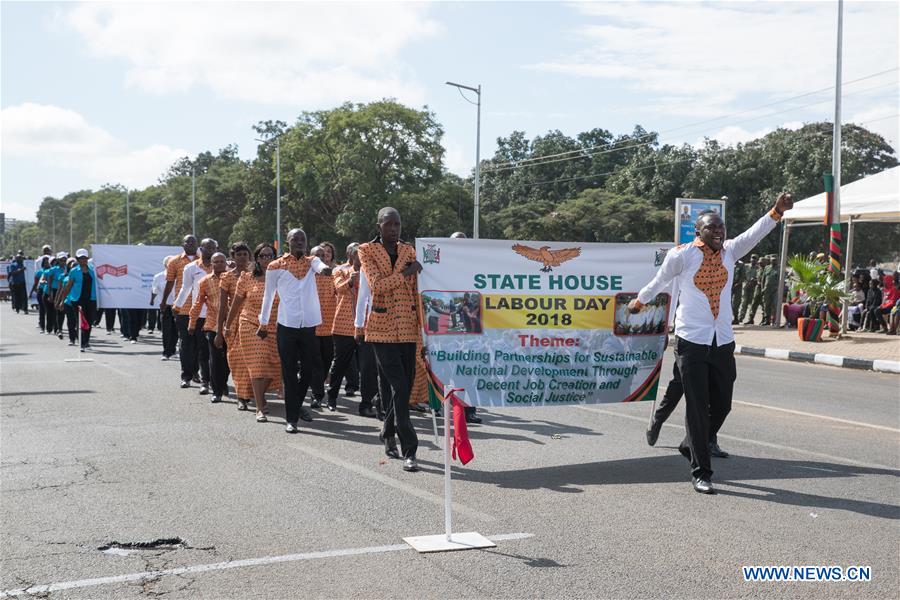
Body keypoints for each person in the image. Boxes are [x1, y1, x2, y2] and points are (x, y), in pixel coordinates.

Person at [629, 192, 794, 494]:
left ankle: (690, 443)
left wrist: (775, 211)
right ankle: (701, 471)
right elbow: (660, 281)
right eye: (712, 228)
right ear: (698, 232)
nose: (719, 232)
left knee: (723, 403)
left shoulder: (730, 251)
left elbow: (753, 233)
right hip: (691, 339)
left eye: (721, 228)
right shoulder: (681, 255)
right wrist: (640, 301)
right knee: (696, 406)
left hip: (722, 340)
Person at [358, 207, 423, 471]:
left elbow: (418, 287)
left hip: (408, 328)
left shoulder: (409, 250)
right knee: (399, 386)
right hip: (381, 328)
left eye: (397, 224)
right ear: (379, 226)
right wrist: (407, 273)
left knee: (401, 386)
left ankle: (387, 432)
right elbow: (377, 285)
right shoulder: (367, 251)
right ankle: (410, 448)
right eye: (388, 224)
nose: (394, 229)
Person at [258, 229, 333, 432]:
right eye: (295, 239)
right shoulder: (276, 265)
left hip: (308, 325)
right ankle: (292, 419)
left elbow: (320, 265)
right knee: (289, 373)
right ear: (288, 243)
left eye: (303, 239)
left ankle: (297, 405)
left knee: (309, 370)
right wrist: (263, 323)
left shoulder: (311, 262)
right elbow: (268, 295)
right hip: (286, 325)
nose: (299, 242)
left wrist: (326, 269)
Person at [225, 243, 283, 423]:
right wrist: (227, 326)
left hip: (276, 326)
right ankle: (259, 408)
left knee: (274, 366)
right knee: (258, 364)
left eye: (270, 255)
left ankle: (259, 395)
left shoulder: (282, 277)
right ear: (257, 258)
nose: (267, 259)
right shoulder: (247, 278)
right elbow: (235, 304)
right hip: (250, 325)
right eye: (263, 256)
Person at [327, 243, 375, 416]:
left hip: (367, 326)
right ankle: (332, 397)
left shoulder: (371, 272)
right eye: (357, 255)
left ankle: (366, 404)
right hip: (344, 326)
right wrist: (351, 281)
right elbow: (338, 289)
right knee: (340, 364)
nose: (361, 258)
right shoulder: (339, 270)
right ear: (350, 256)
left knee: (368, 366)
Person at [216, 242, 253, 411]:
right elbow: (222, 306)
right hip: (233, 321)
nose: (242, 258)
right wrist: (220, 330)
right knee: (237, 359)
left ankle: (251, 394)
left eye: (245, 254)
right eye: (238, 255)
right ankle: (241, 396)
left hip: (253, 320)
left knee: (251, 359)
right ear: (232, 257)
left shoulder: (256, 274)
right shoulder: (227, 277)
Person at [189, 252, 229, 403]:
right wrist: (192, 323)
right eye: (216, 262)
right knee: (215, 358)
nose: (219, 264)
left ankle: (223, 382)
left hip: (231, 325)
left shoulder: (233, 278)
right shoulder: (204, 281)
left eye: (221, 261)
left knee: (228, 359)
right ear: (211, 264)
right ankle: (217, 390)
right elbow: (198, 303)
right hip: (212, 325)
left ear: (226, 262)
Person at [161, 235, 198, 373]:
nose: (190, 244)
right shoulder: (174, 261)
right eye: (187, 242)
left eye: (193, 242)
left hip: (202, 309)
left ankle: (196, 372)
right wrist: (164, 301)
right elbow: (170, 282)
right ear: (182, 244)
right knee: (185, 342)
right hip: (183, 307)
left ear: (197, 244)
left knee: (198, 344)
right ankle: (186, 375)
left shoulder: (204, 260)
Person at [310, 244, 337, 410]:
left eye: (323, 254)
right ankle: (317, 395)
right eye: (317, 255)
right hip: (311, 326)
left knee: (327, 360)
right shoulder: (306, 275)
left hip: (329, 326)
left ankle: (318, 387)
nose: (321, 257)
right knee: (315, 362)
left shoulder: (333, 274)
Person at [56, 249, 98, 351]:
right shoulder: (74, 271)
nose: (82, 260)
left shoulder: (93, 270)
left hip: (91, 299)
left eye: (84, 258)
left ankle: (86, 341)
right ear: (78, 260)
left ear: (87, 259)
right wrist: (62, 300)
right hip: (77, 300)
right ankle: (82, 342)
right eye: (80, 258)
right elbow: (68, 286)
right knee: (81, 321)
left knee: (89, 321)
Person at [737, 254, 759, 324]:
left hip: (753, 287)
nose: (753, 259)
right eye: (752, 258)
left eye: (755, 258)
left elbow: (759, 277)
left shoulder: (758, 268)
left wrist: (754, 280)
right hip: (745, 286)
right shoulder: (746, 266)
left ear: (757, 260)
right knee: (744, 302)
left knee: (752, 303)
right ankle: (740, 318)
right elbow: (742, 275)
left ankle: (750, 319)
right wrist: (746, 281)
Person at [31, 256, 50, 331]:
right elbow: (35, 283)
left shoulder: (52, 271)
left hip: (49, 291)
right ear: (43, 263)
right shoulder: (39, 272)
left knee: (49, 310)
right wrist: (32, 292)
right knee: (42, 309)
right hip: (41, 291)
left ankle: (50, 326)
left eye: (48, 262)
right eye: (45, 262)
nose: (47, 264)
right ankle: (42, 326)